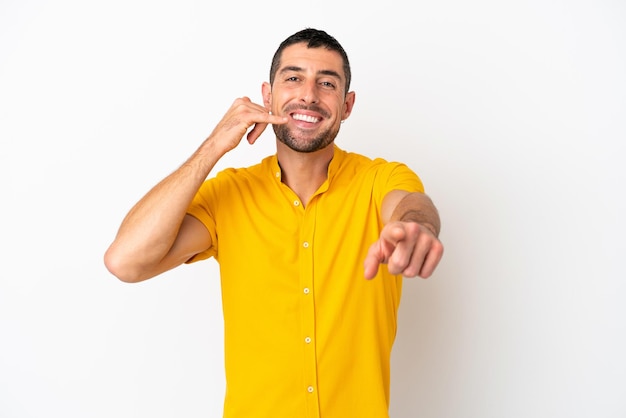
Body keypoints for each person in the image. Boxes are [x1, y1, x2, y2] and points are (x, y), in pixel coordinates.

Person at [104, 28, 444, 418]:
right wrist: (214, 145)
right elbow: (125, 261)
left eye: (327, 83)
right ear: (268, 96)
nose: (309, 95)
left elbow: (411, 205)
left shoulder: (381, 180)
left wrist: (418, 227)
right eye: (294, 78)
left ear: (347, 105)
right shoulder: (228, 195)